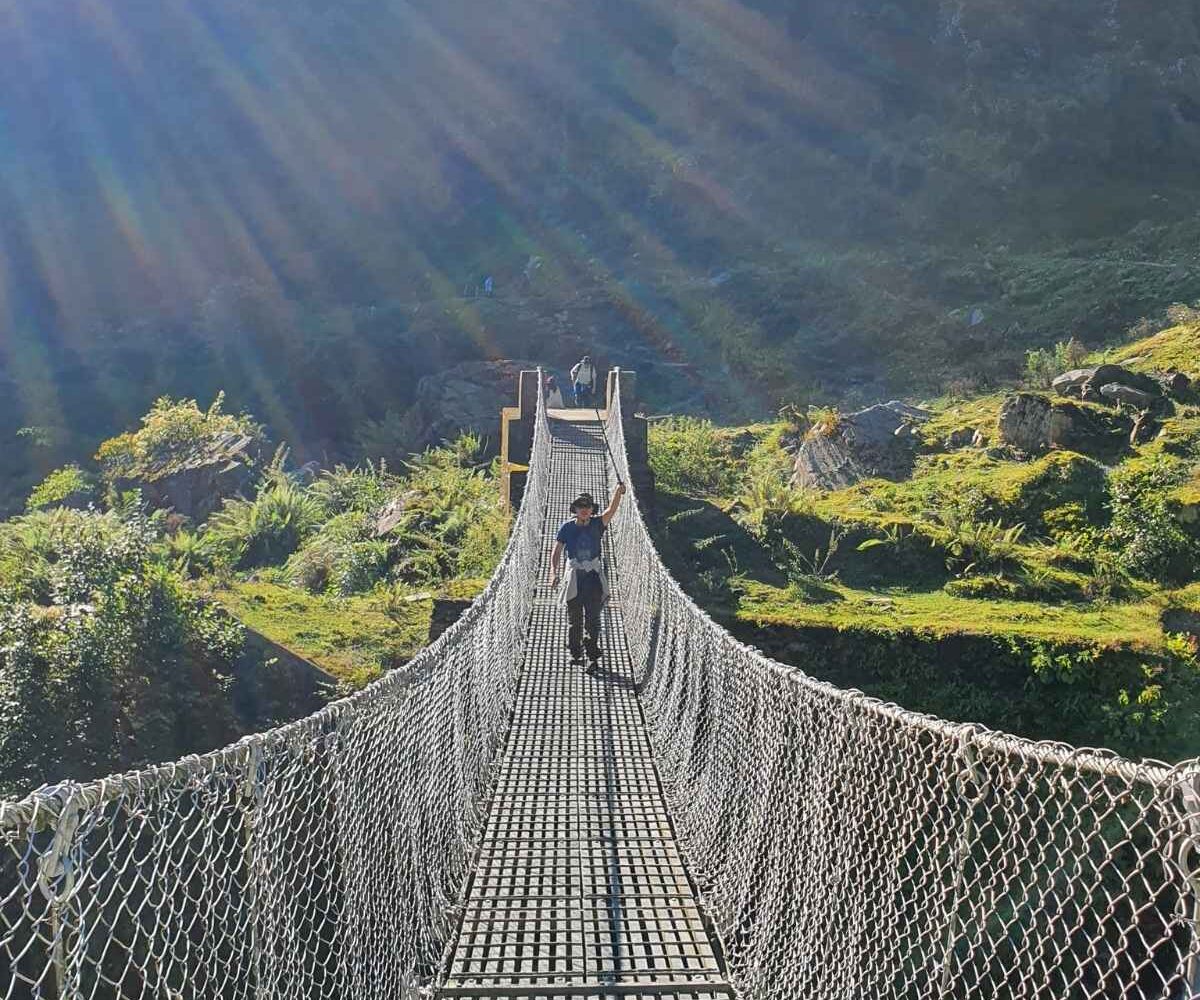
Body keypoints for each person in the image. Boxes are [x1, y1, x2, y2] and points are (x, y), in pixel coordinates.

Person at [549, 484, 626, 667]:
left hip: (593, 577)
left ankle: (592, 655)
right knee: (574, 620)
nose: (584, 510)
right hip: (575, 577)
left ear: (592, 510)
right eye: (580, 507)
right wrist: (553, 572)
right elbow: (557, 551)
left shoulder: (598, 524)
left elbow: (611, 510)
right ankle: (576, 653)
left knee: (593, 619)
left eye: (588, 507)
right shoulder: (566, 528)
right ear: (575, 509)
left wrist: (618, 492)